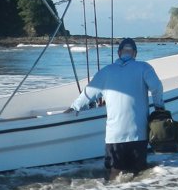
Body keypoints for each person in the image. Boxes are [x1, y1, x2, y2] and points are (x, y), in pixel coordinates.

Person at [67, 38, 164, 180]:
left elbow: (88, 93)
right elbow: (157, 87)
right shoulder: (144, 68)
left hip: (115, 136)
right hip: (139, 133)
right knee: (138, 173)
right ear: (135, 54)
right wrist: (159, 108)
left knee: (115, 171)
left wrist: (74, 107)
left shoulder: (106, 72)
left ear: (119, 53)